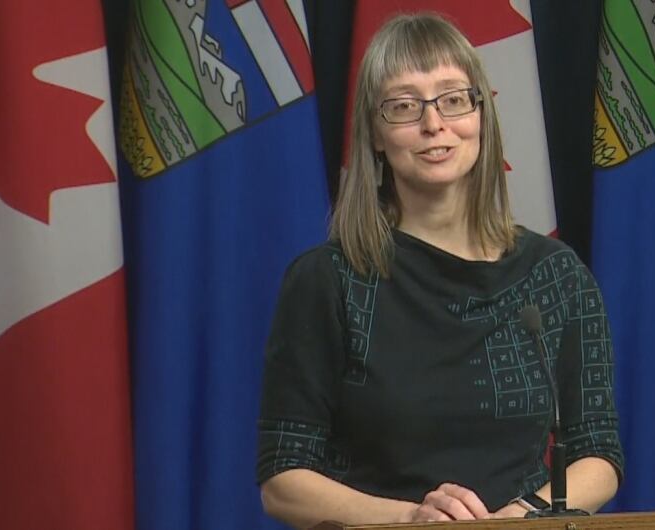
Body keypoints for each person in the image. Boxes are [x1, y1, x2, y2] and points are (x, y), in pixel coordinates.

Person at [256, 12, 623, 529]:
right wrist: (412, 518)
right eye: (405, 107)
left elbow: (598, 453)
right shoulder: (329, 281)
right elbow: (284, 479)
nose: (435, 124)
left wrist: (519, 518)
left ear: (481, 115)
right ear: (376, 135)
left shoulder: (556, 276)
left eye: (453, 99)